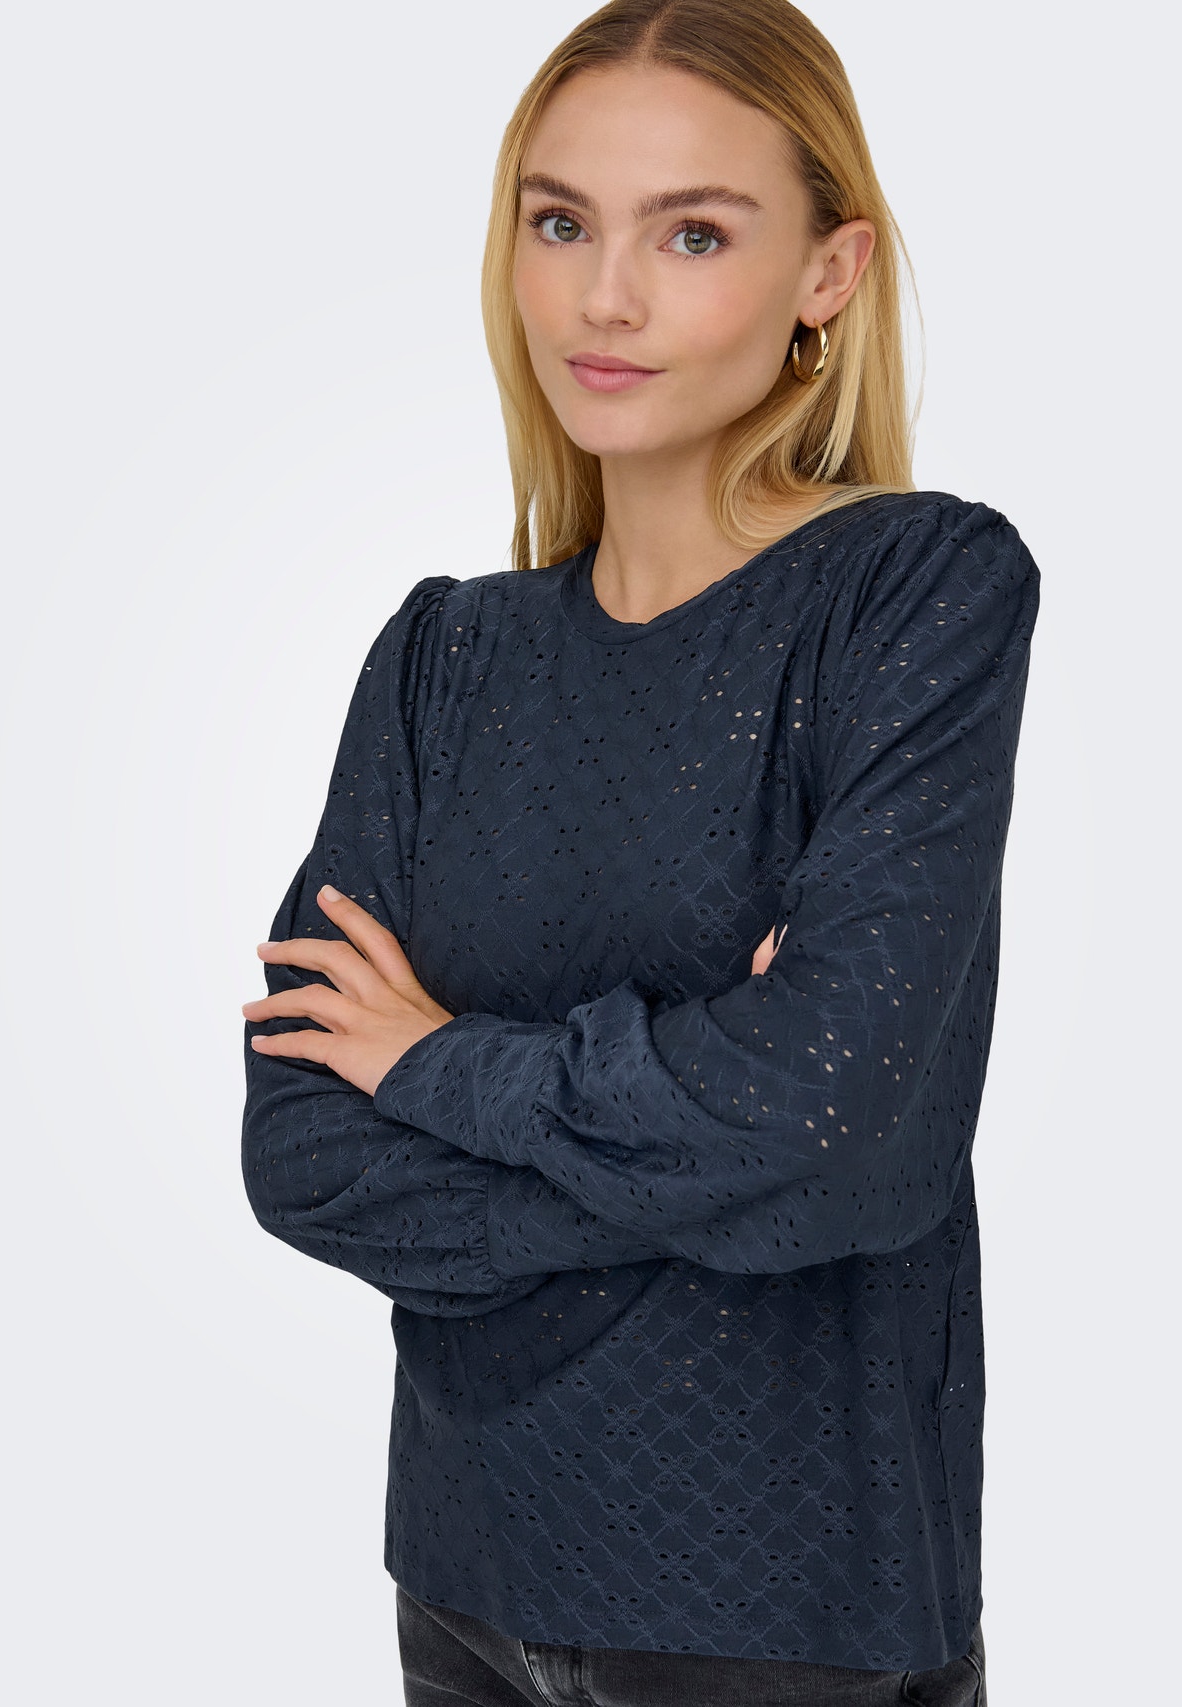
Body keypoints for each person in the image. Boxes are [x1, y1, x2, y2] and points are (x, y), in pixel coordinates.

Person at [239, 2, 1038, 1701]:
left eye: (692, 235)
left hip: (781, 1612)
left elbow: (847, 1140)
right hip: (463, 1577)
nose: (604, 298)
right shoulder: (444, 657)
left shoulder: (918, 593)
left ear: (829, 272)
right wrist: (714, 1138)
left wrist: (437, 1064)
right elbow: (303, 1149)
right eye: (561, 222)